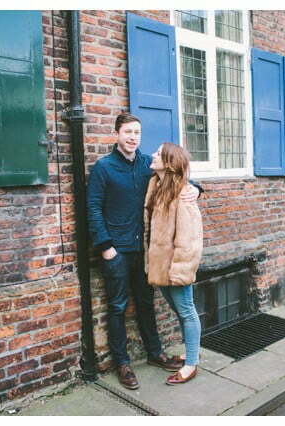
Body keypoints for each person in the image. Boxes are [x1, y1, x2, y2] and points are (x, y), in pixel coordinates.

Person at [86, 113, 196, 390]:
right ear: (117, 134)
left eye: (137, 132)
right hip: (117, 251)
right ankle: (122, 363)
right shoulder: (104, 168)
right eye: (128, 132)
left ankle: (155, 352)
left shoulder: (149, 163)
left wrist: (196, 188)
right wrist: (105, 246)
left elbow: (176, 174)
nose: (133, 137)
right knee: (118, 306)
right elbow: (93, 208)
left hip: (145, 251)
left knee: (147, 303)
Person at [144, 142, 204, 384]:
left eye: (158, 153)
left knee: (187, 311)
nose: (153, 155)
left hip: (176, 267)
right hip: (161, 266)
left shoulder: (183, 193)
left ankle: (191, 364)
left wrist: (180, 270)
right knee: (180, 311)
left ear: (168, 163)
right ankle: (191, 351)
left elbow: (190, 240)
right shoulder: (156, 185)